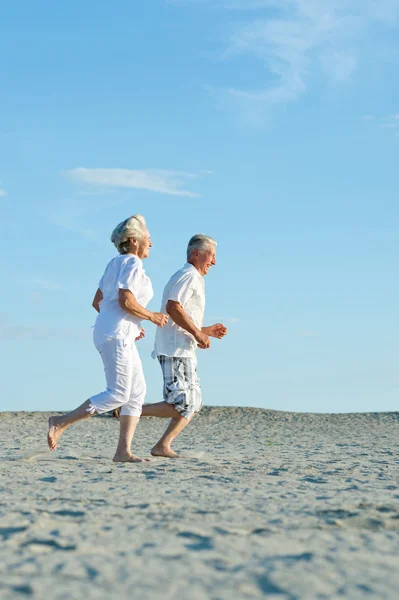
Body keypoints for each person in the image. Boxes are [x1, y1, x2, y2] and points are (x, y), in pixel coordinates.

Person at [47, 214, 168, 462]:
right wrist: (151, 317)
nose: (151, 244)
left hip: (114, 331)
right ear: (134, 241)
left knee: (137, 392)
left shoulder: (114, 263)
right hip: (116, 334)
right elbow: (126, 300)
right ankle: (60, 421)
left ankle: (123, 451)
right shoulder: (132, 264)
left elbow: (98, 302)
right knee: (118, 393)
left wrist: (133, 323)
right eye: (148, 238)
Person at [141, 234, 228, 457]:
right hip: (174, 349)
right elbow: (173, 307)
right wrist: (198, 333)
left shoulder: (195, 278)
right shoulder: (188, 275)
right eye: (212, 256)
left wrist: (206, 331)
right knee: (184, 403)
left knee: (194, 403)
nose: (214, 262)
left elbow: (182, 317)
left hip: (184, 349)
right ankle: (130, 411)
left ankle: (162, 445)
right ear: (196, 254)